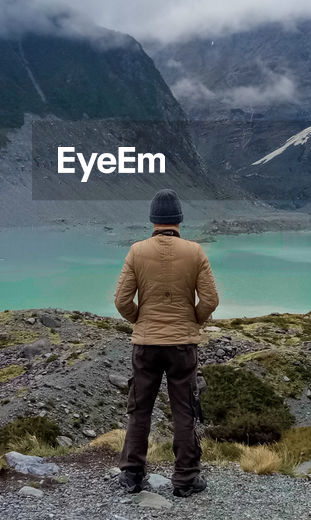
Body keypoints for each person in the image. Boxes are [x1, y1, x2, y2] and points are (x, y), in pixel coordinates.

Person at [113, 188, 219, 498]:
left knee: (140, 408)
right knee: (184, 409)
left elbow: (121, 300)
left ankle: (132, 475)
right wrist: (193, 321)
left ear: (153, 220)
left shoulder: (136, 251)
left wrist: (140, 321)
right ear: (179, 220)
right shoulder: (195, 251)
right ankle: (185, 478)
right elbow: (210, 299)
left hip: (146, 345)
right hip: (183, 345)